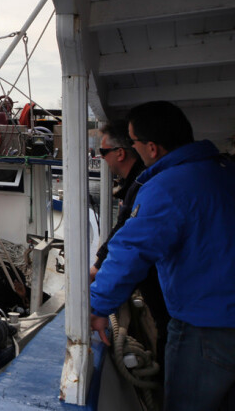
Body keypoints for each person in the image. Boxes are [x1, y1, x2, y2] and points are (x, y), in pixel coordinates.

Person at [89, 101, 235, 410]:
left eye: (134, 142)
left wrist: (98, 307)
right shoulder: (225, 171)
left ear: (152, 148)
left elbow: (131, 252)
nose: (133, 149)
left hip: (205, 328)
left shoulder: (168, 186)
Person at [91, 120, 170, 373]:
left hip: (189, 312)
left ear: (120, 153)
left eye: (103, 152)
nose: (102, 159)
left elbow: (129, 245)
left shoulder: (150, 186)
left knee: (169, 339)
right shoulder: (149, 182)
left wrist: (99, 304)